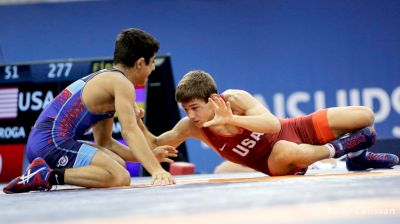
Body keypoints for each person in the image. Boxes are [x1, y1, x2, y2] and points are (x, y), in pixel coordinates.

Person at [3, 28, 177, 194]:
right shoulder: (122, 83)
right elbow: (129, 131)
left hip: (43, 142)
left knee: (118, 164)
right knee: (119, 176)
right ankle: (46, 175)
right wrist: (155, 169)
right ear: (140, 63)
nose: (153, 68)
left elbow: (105, 142)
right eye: (152, 62)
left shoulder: (109, 80)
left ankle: (42, 173)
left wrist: (147, 156)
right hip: (50, 143)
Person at [140, 70, 398, 176]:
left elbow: (273, 125)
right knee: (285, 151)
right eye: (186, 109)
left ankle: (358, 157)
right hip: (273, 161)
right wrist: (134, 121)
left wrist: (231, 118)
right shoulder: (190, 127)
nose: (191, 115)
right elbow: (154, 143)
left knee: (364, 115)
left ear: (213, 99)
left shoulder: (235, 99)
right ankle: (342, 150)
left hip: (292, 128)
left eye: (195, 107)